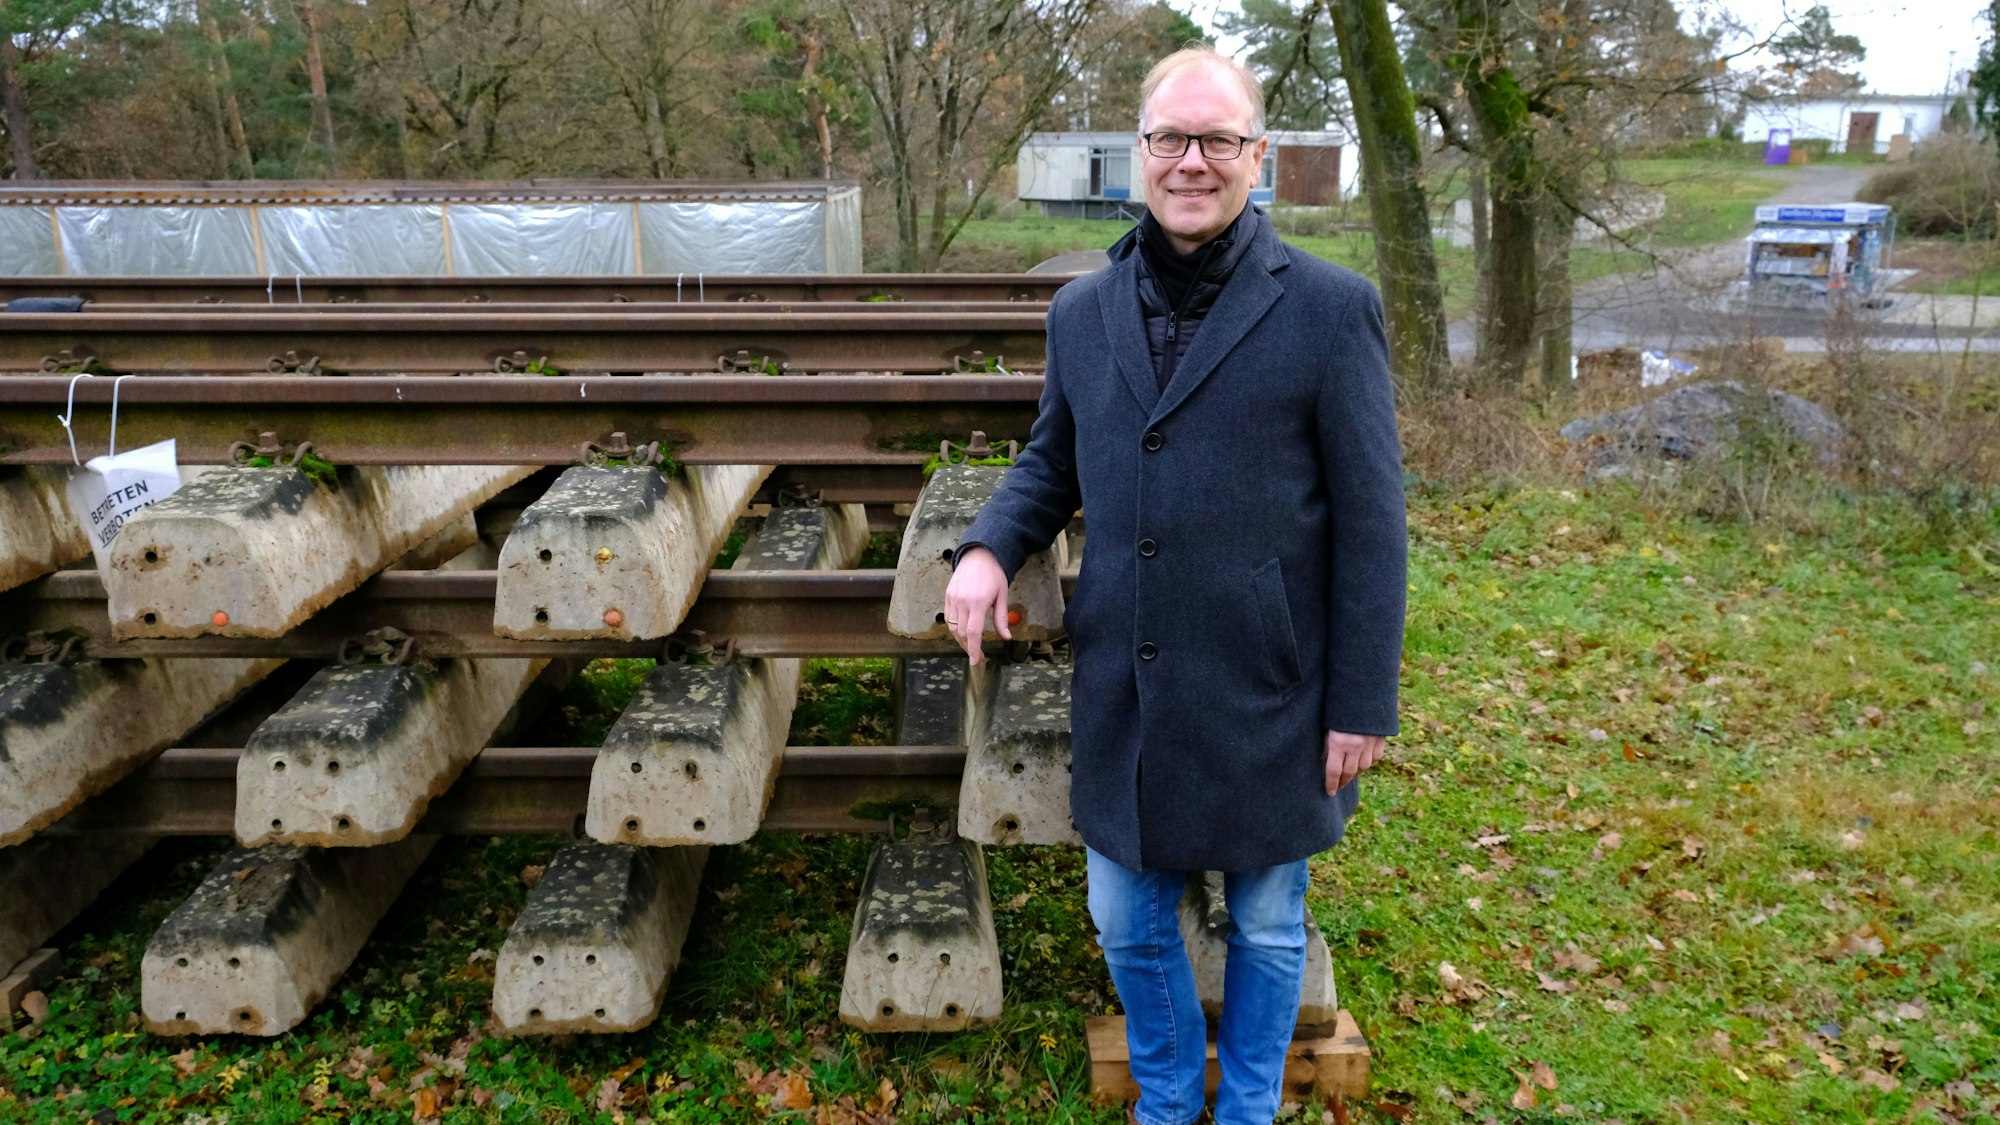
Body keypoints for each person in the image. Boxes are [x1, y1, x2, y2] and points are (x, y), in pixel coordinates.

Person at [940, 44, 1407, 1125]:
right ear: (1135, 154)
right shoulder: (1081, 312)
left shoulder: (1332, 310)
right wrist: (983, 548)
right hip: (1130, 674)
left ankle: (1243, 1108)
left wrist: (1361, 702)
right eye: (1168, 139)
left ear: (1257, 158)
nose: (1189, 161)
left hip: (1268, 681)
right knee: (1125, 914)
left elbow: (1374, 528)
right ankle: (1164, 1099)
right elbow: (1050, 463)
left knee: (1268, 919)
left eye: (1216, 140)